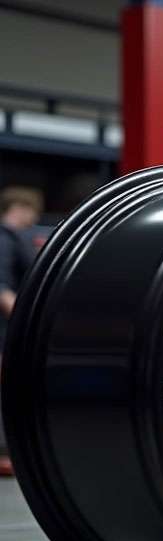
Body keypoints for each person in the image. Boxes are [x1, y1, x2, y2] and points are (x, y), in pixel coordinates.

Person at [0, 186, 43, 476]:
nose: (34, 219)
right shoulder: (5, 238)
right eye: (32, 211)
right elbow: (1, 287)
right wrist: (26, 321)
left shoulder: (14, 239)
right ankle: (4, 453)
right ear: (20, 208)